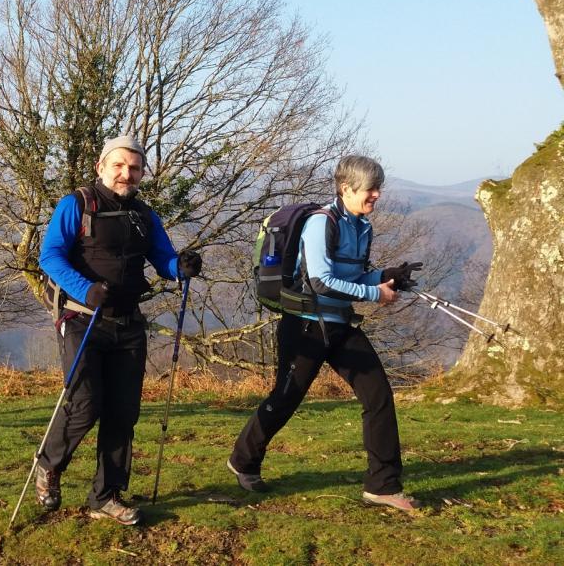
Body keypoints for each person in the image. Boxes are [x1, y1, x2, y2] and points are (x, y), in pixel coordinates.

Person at [227, 155, 423, 513]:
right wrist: (375, 294)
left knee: (378, 395)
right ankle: (244, 460)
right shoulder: (321, 223)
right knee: (286, 397)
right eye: (370, 189)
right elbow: (320, 281)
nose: (377, 195)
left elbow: (353, 277)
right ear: (346, 188)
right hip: (304, 325)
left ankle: (383, 485)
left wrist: (386, 275)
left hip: (339, 324)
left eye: (378, 188)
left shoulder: (362, 226)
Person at [37, 135, 202, 526]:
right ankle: (49, 464)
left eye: (134, 168)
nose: (126, 173)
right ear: (101, 167)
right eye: (119, 166)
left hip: (128, 322)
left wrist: (182, 267)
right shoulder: (76, 204)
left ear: (142, 172)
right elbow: (50, 256)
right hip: (81, 318)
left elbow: (162, 258)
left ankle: (106, 496)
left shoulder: (144, 215)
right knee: (86, 405)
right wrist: (85, 290)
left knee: (123, 412)